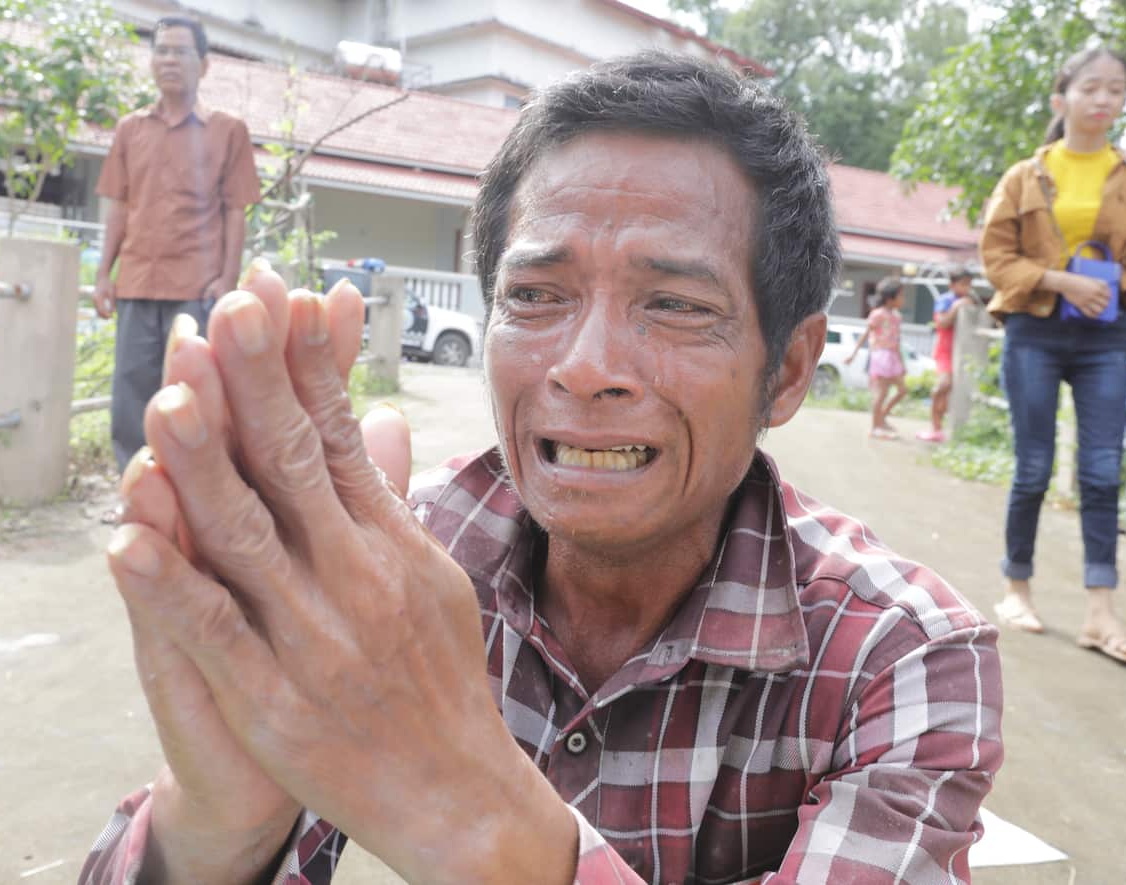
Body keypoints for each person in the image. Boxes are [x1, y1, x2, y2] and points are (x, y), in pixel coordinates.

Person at [82, 53, 1002, 885]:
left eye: (676, 303)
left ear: (790, 369)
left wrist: (472, 814)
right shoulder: (391, 562)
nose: (585, 364)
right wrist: (219, 825)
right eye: (534, 296)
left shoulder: (901, 656)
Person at [980, 45, 1126, 665]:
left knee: (1103, 473)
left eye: (1116, 89)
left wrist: (1118, 290)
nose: (1104, 99)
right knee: (1033, 467)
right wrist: (1062, 282)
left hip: (1106, 341)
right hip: (1034, 331)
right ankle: (1016, 587)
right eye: (1091, 88)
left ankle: (1100, 612)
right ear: (1062, 100)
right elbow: (996, 256)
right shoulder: (1024, 177)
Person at [93, 15, 261, 474]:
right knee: (129, 391)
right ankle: (134, 482)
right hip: (135, 281)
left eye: (180, 51)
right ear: (151, 62)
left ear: (203, 65)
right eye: (161, 50)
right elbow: (120, 207)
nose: (169, 60)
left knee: (190, 387)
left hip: (195, 286)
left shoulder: (228, 130)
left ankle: (190, 490)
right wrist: (103, 275)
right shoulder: (130, 129)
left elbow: (234, 210)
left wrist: (227, 279)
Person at [845, 277, 909, 439]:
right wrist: (853, 354)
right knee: (881, 393)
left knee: (902, 390)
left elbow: (897, 341)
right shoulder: (877, 314)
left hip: (893, 355)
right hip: (881, 355)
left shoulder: (896, 317)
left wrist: (901, 363)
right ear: (890, 298)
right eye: (901, 295)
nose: (903, 299)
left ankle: (881, 418)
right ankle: (875, 427)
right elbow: (866, 335)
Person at [917, 268, 975, 442]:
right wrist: (957, 307)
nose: (966, 288)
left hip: (960, 352)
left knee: (949, 390)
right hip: (945, 350)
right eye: (963, 284)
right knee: (943, 385)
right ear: (952, 284)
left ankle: (938, 428)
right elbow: (942, 323)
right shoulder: (946, 300)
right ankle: (934, 426)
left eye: (969, 284)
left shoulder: (969, 301)